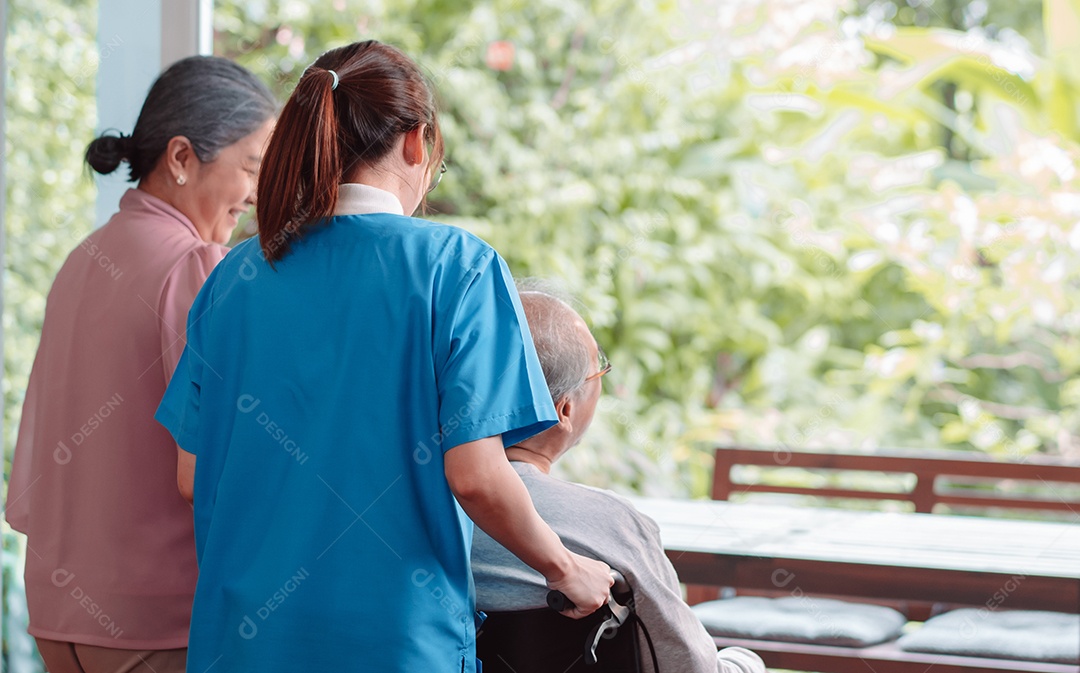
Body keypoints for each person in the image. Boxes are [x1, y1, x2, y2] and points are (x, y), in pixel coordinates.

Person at [153, 41, 611, 673]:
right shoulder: (459, 267)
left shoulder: (235, 277)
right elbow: (477, 475)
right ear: (417, 143)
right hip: (394, 647)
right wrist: (567, 568)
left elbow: (191, 476)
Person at [5, 56, 276, 673]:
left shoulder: (82, 259)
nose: (258, 194)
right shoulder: (197, 266)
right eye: (253, 168)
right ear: (182, 158)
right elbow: (222, 453)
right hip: (155, 620)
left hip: (58, 612)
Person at [471, 286, 768, 673]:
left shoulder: (414, 511)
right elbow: (686, 664)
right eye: (600, 371)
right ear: (563, 408)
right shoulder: (609, 523)